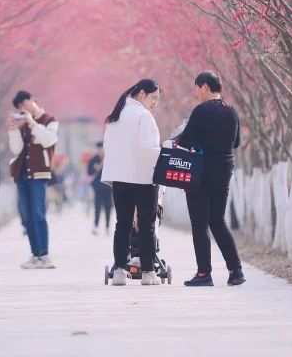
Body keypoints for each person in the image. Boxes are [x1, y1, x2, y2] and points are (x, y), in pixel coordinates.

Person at [175, 71, 245, 287]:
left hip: (201, 173)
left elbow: (185, 142)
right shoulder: (231, 111)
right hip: (224, 170)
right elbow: (237, 143)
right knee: (218, 221)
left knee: (199, 224)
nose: (196, 93)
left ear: (204, 86)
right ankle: (236, 271)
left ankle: (204, 273)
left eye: (196, 88)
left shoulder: (201, 111)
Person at [101, 79, 162, 286]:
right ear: (142, 93)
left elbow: (108, 148)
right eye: (153, 97)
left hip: (120, 179)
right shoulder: (143, 116)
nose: (155, 103)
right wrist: (166, 151)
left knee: (122, 225)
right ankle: (147, 272)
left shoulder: (115, 115)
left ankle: (119, 271)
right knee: (146, 226)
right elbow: (149, 149)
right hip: (143, 178)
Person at [7, 89, 59, 269]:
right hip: (22, 173)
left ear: (32, 100)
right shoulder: (22, 125)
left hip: (39, 174)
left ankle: (44, 255)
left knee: (38, 213)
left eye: (24, 104)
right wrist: (13, 130)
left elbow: (49, 140)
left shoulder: (49, 120)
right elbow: (16, 149)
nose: (23, 109)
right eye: (20, 107)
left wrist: (32, 123)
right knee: (27, 216)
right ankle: (35, 255)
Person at [87, 142, 113, 235]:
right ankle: (96, 225)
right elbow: (89, 173)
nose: (101, 151)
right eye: (99, 149)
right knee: (97, 206)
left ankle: (107, 227)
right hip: (97, 187)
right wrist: (95, 168)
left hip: (108, 186)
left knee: (108, 207)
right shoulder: (93, 160)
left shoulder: (109, 159)